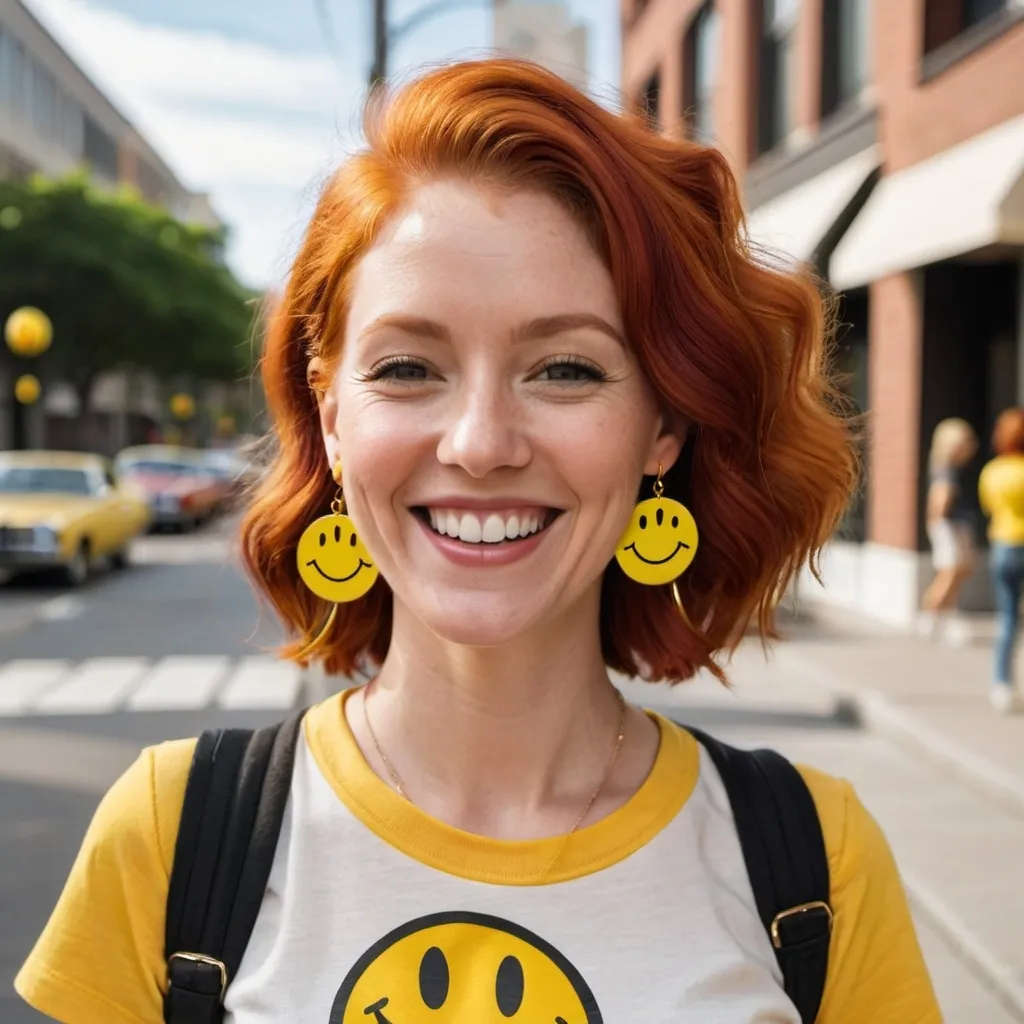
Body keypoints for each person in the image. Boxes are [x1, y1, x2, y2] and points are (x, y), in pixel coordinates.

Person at [15, 59, 940, 1022]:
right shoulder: (169, 836)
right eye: (410, 366)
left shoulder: (813, 863)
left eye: (567, 369)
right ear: (332, 420)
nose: (481, 444)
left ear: (664, 426)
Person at [979, 408, 1024, 713]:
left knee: (1007, 617)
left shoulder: (992, 471)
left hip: (1001, 547)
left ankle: (1001, 684)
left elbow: (987, 507)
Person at [920, 417, 979, 642]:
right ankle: (930, 616)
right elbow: (940, 499)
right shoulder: (946, 469)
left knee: (957, 572)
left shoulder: (946, 466)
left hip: (952, 524)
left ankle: (945, 616)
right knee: (950, 572)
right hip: (949, 525)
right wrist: (940, 523)